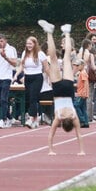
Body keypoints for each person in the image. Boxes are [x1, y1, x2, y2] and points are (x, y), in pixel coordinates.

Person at [38, 21, 86, 156]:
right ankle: (49, 32)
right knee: (53, 59)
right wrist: (50, 150)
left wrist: (82, 150)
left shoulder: (73, 116)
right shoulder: (58, 117)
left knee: (66, 58)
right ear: (63, 125)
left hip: (68, 89)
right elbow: (51, 135)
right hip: (58, 90)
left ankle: (67, 32)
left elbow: (80, 136)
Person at [18, 32, 47, 129]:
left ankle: (31, 118)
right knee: (29, 98)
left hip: (37, 77)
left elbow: (46, 67)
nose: (28, 46)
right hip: (28, 77)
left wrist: (52, 78)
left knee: (33, 97)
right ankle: (35, 117)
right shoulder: (24, 53)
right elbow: (21, 65)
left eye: (30, 44)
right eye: (27, 44)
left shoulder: (40, 54)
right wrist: (16, 75)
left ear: (35, 44)